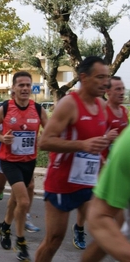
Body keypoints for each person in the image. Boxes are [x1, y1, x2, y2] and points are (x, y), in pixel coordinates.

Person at [34, 56, 112, 262]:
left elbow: (97, 146)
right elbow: (44, 142)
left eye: (108, 77)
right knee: (54, 239)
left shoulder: (102, 107)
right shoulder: (69, 104)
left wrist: (104, 160)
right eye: (100, 77)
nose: (105, 82)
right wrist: (82, 145)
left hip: (89, 183)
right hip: (62, 183)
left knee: (106, 235)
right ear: (84, 78)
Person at [0, 71, 48, 261]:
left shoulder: (38, 109)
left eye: (28, 85)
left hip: (29, 161)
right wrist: (2, 137)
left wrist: (45, 138)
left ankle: (4, 226)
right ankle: (20, 242)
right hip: (9, 161)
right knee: (24, 200)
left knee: (14, 200)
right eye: (21, 85)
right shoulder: (5, 109)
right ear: (13, 88)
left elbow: (50, 129)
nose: (25, 89)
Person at [81, 76, 129, 262]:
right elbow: (93, 135)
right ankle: (79, 227)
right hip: (105, 163)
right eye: (117, 89)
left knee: (117, 222)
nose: (121, 92)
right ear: (108, 92)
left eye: (123, 88)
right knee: (97, 206)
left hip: (119, 162)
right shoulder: (103, 111)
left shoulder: (123, 111)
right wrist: (107, 138)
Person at [0, 90, 42, 234]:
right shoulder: (4, 109)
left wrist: (41, 138)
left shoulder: (34, 109)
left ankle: (25, 215)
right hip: (5, 156)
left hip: (25, 158)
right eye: (16, 92)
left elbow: (45, 129)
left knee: (30, 187)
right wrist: (2, 137)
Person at [79, 126, 130, 262]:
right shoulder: (127, 143)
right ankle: (78, 228)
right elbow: (99, 216)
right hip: (93, 171)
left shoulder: (122, 114)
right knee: (55, 237)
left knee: (117, 229)